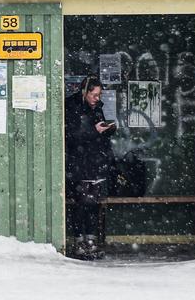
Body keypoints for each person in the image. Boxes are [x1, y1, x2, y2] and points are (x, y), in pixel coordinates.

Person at [65, 75, 115, 259]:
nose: (97, 98)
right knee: (81, 203)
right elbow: (72, 136)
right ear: (84, 92)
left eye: (99, 95)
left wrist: (107, 130)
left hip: (95, 161)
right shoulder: (72, 107)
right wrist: (95, 131)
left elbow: (95, 131)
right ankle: (80, 241)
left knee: (93, 203)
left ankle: (91, 240)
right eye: (94, 95)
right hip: (79, 162)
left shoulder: (96, 107)